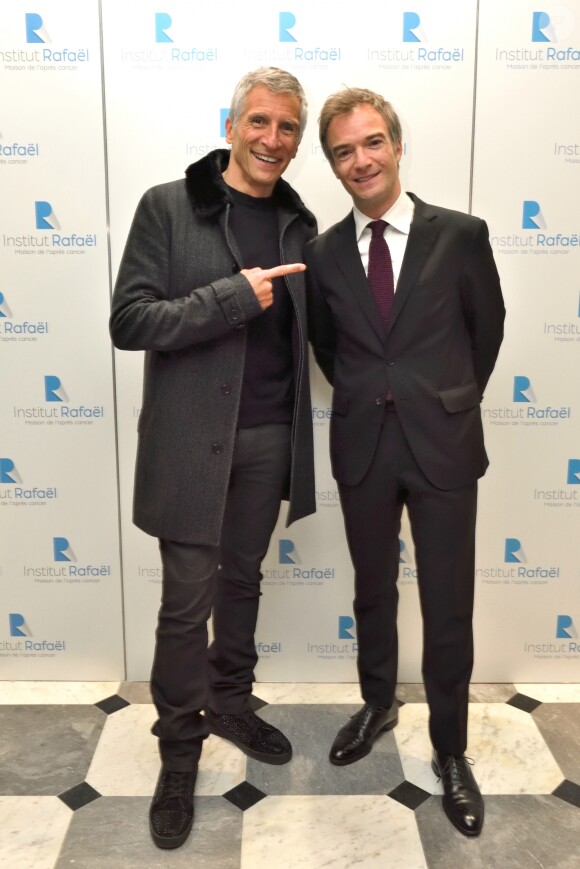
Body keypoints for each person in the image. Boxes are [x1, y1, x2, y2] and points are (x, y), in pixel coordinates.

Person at [110, 67, 316, 850]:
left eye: (288, 128)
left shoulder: (300, 220)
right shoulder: (169, 205)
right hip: (191, 442)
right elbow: (130, 319)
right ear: (232, 124)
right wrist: (232, 296)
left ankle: (230, 699)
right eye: (259, 122)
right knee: (183, 603)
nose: (272, 139)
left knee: (244, 580)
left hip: (269, 437)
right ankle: (178, 748)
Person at [305, 88, 505, 837]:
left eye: (373, 142)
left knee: (449, 601)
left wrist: (445, 397)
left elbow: (487, 329)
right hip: (363, 442)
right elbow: (329, 347)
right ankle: (379, 701)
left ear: (396, 145)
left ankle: (450, 748)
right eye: (344, 151)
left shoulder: (461, 234)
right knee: (372, 590)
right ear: (333, 164)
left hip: (444, 442)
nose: (361, 159)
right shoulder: (323, 253)